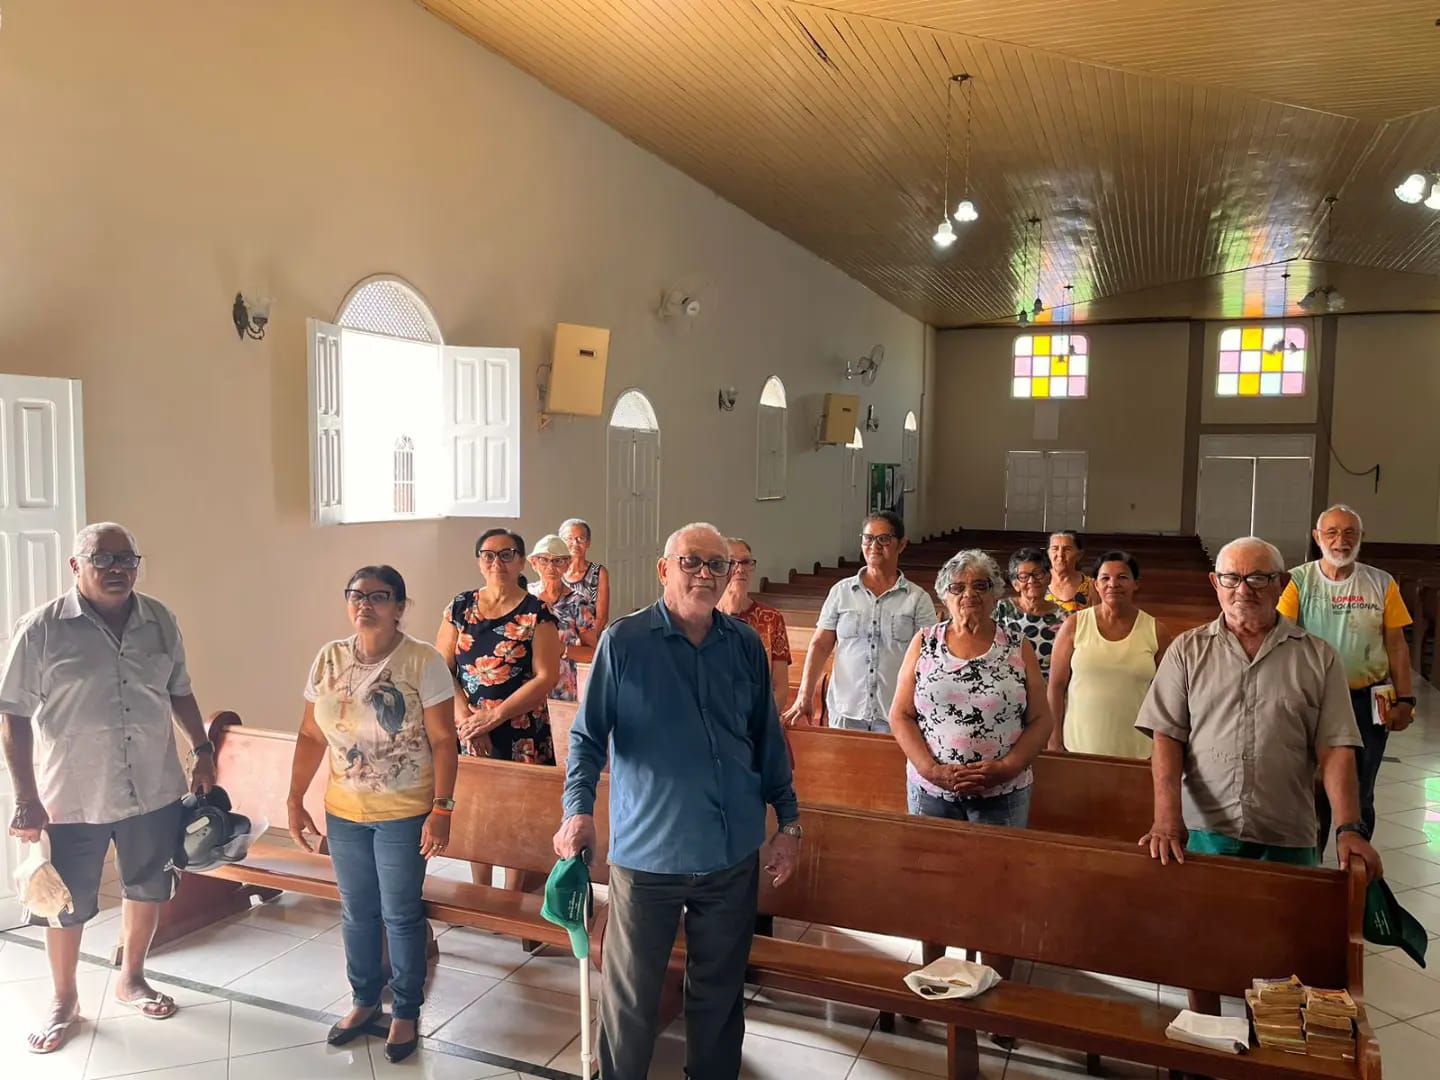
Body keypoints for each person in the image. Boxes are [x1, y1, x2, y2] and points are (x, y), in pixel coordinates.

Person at [555, 522, 799, 1080]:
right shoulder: (625, 641)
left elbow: (767, 740)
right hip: (649, 857)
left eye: (718, 564)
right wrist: (577, 811)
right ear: (664, 569)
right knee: (631, 1000)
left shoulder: (744, 644)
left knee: (719, 997)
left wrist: (789, 823)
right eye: (692, 561)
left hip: (730, 853)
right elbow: (587, 739)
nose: (705, 574)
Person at [0, 523, 215, 1054]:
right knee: (64, 900)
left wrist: (203, 748)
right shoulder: (41, 629)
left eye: (126, 559)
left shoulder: (160, 619)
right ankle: (64, 1000)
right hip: (73, 795)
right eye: (103, 559)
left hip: (153, 787)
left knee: (147, 886)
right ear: (76, 565)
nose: (116, 568)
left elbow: (180, 690)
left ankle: (132, 979)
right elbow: (13, 716)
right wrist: (26, 796)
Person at [286, 566, 457, 1064]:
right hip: (344, 810)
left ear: (400, 607)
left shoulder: (422, 661)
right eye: (356, 595)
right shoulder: (329, 658)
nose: (365, 605)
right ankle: (363, 1000)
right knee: (357, 910)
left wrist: (442, 808)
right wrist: (294, 798)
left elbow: (444, 741)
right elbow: (311, 735)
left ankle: (405, 1009)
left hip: (405, 811)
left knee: (399, 912)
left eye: (379, 597)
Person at [1135, 536, 1381, 876]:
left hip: (1286, 833)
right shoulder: (1187, 651)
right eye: (1231, 578)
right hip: (1204, 831)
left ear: (1282, 583)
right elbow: (1167, 736)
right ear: (1215, 583)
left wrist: (1348, 828)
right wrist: (1166, 819)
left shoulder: (1319, 657)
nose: (1243, 589)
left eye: (1258, 578)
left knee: (1287, 912)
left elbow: (1336, 747)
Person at [1277, 505, 1415, 849]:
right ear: (1317, 537)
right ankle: (1309, 863)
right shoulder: (1297, 581)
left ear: (1361, 537)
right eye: (1332, 532)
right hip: (1311, 700)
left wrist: (1406, 699)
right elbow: (1281, 638)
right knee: (1308, 788)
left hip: (1367, 699)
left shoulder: (1381, 582)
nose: (1341, 540)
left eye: (1350, 532)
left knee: (1360, 790)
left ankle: (1354, 866)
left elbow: (1396, 645)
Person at [784, 511, 939, 732]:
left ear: (901, 544)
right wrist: (805, 694)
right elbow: (820, 645)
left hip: (896, 715)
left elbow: (930, 656)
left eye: (883, 539)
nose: (874, 546)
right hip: (846, 710)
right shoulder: (841, 592)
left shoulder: (917, 598)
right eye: (868, 538)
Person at [436, 528, 562, 765]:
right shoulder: (460, 607)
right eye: (488, 555)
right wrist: (468, 722)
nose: (497, 562)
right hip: (468, 731)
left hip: (519, 731)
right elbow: (440, 669)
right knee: (467, 788)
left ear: (521, 562)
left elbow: (546, 677)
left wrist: (494, 717)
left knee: (522, 789)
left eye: (506, 555)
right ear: (479, 562)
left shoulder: (537, 612)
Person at [1047, 551, 1173, 758]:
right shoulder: (1075, 624)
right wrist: (1054, 740)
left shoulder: (1156, 631)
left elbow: (1168, 695)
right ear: (1096, 584)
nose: (1113, 584)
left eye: (1122, 577)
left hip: (1138, 750)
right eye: (1105, 578)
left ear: (1136, 584)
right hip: (1077, 747)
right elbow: (1056, 686)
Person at [717, 537, 792, 711]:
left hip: (758, 715)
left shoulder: (771, 618)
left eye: (746, 562)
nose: (740, 569)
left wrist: (761, 721)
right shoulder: (703, 616)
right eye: (732, 562)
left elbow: (780, 689)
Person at [527, 534, 598, 703]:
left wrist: (562, 649)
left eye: (558, 561)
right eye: (544, 560)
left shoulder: (579, 602)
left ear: (567, 564)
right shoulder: (525, 598)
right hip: (525, 686)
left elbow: (593, 653)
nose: (550, 566)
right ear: (534, 563)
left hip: (561, 687)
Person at [992, 547, 1068, 678]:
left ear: (1048, 577)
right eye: (1023, 577)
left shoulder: (1063, 618)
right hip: (1007, 682)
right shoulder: (1001, 609)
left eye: (1037, 574)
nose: (1031, 581)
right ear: (1015, 584)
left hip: (1046, 686)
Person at [560, 517, 611, 632]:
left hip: (589, 637)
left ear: (588, 542)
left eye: (580, 539)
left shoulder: (598, 572)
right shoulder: (556, 570)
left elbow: (602, 618)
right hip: (559, 637)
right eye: (569, 538)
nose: (575, 543)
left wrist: (585, 640)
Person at [1044, 530, 1092, 613]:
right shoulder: (1038, 582)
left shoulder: (1091, 586)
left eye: (1067, 549)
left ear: (1079, 554)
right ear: (1048, 553)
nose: (1060, 555)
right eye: (1055, 549)